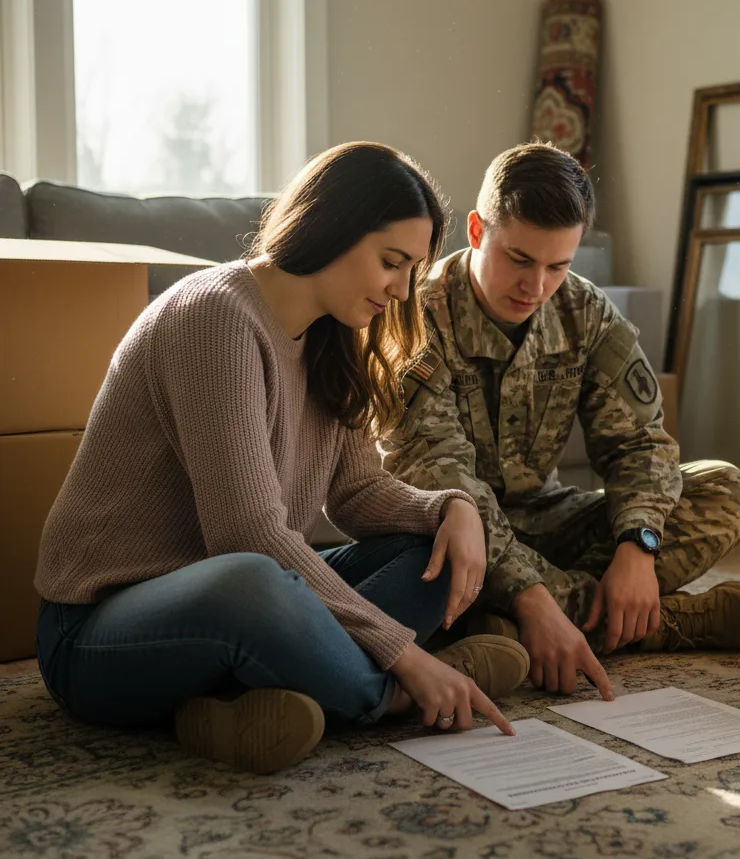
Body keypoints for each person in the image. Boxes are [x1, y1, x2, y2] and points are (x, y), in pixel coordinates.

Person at [34, 142, 530, 775]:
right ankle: (393, 696)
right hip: (96, 632)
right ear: (334, 230)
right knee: (254, 581)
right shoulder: (213, 316)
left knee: (424, 548)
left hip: (239, 603)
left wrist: (452, 510)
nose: (403, 290)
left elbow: (354, 493)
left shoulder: (333, 336)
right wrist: (406, 656)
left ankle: (238, 706)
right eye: (391, 262)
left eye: (413, 269)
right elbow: (246, 535)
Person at [381, 142, 740, 700]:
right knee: (424, 569)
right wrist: (530, 597)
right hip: (446, 533)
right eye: (519, 259)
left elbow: (641, 443)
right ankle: (649, 626)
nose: (536, 287)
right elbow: (446, 483)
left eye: (558, 266)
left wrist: (636, 546)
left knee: (723, 491)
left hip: (545, 520)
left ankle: (517, 630)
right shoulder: (413, 318)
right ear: (476, 231)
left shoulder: (584, 311)